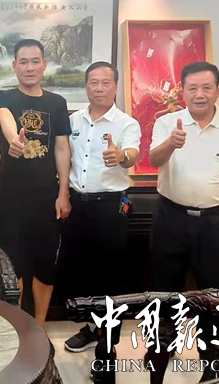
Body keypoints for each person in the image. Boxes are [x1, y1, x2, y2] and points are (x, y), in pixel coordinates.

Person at [148, 61, 219, 381]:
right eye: (192, 88)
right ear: (182, 92)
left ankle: (213, 364)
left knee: (216, 298)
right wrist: (171, 143)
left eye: (206, 88)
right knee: (162, 295)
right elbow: (154, 159)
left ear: (217, 91)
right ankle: (158, 357)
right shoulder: (167, 123)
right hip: (171, 218)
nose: (199, 94)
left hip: (217, 222)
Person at [62, 61, 141, 383]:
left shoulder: (126, 123)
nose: (99, 88)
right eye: (93, 82)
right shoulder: (73, 121)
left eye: (105, 82)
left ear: (115, 87)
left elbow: (132, 154)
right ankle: (92, 327)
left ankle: (107, 353)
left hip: (110, 207)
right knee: (82, 276)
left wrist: (121, 157)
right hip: (77, 206)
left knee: (111, 283)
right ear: (86, 86)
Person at [0, 39, 72, 325]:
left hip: (46, 198)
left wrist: (63, 192)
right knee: (12, 267)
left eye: (35, 61)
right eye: (23, 62)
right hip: (10, 199)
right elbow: (4, 117)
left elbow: (61, 148)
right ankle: (15, 329)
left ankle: (39, 327)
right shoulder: (3, 96)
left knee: (45, 268)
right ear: (14, 66)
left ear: (44, 65)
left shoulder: (57, 103)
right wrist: (14, 139)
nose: (29, 67)